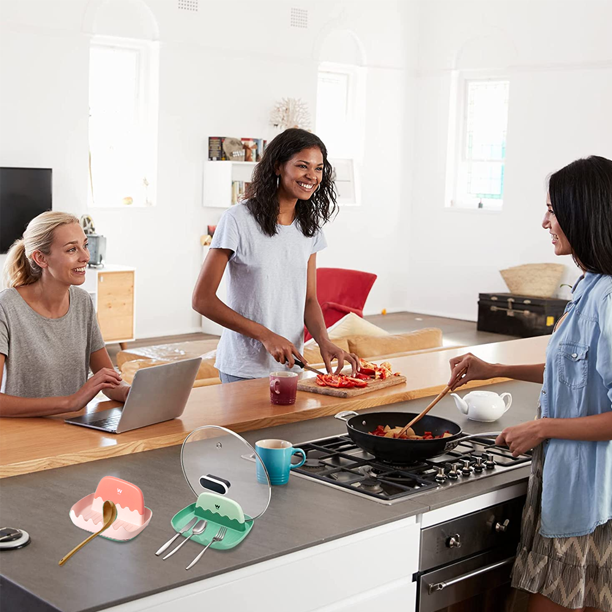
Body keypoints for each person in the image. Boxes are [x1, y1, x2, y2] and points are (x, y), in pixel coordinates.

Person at [448, 156, 612, 612]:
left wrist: (541, 429)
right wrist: (491, 369)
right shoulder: (589, 283)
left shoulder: (610, 297)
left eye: (553, 211)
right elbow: (574, 372)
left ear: (585, 213)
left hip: (590, 495)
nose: (545, 222)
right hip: (565, 481)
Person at [193, 128, 359, 383]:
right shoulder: (238, 219)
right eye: (303, 166)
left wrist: (324, 341)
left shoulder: (309, 227)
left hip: (291, 367)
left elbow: (309, 299)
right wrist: (265, 335)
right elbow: (202, 300)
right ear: (278, 166)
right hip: (243, 367)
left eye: (319, 168)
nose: (312, 176)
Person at [0, 211, 130, 417]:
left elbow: (108, 382)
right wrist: (71, 402)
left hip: (76, 429)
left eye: (85, 245)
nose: (85, 257)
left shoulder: (82, 302)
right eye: (72, 249)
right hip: (23, 435)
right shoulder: (6, 307)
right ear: (40, 258)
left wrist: (134, 392)